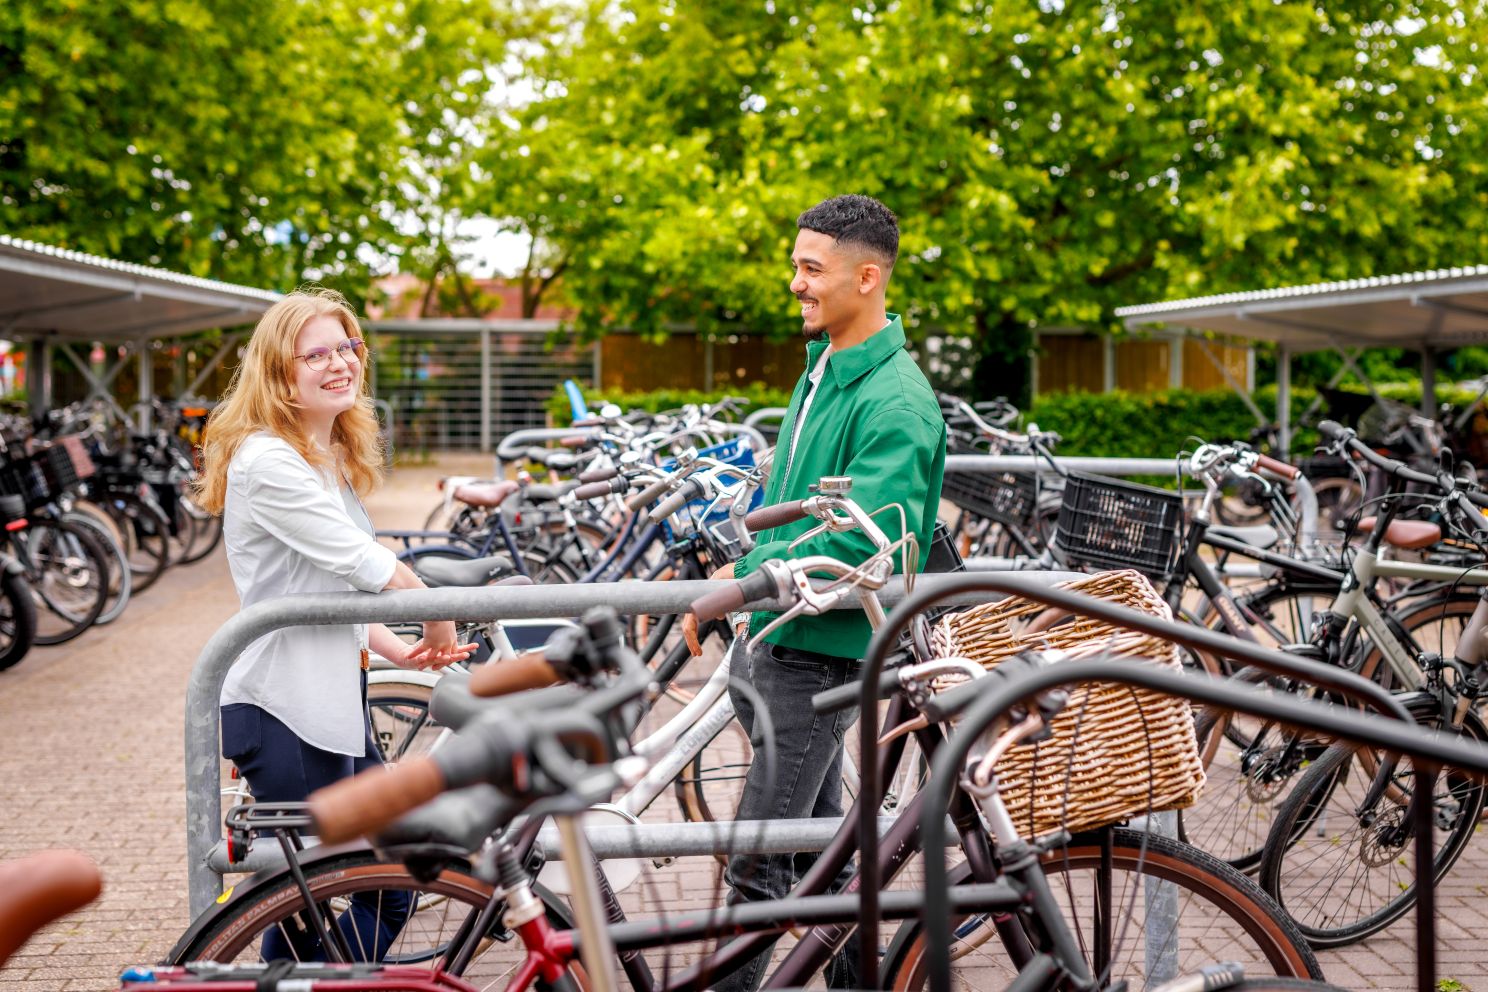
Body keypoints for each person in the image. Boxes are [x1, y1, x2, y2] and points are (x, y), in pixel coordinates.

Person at [684, 194, 947, 991]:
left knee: (756, 874)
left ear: (867, 278)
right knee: (819, 864)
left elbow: (863, 542)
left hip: (814, 656)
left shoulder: (895, 399)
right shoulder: (826, 366)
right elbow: (807, 503)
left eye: (811, 268)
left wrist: (735, 585)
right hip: (783, 642)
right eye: (795, 265)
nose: (794, 283)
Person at [195, 288, 476, 960]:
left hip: (333, 704)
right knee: (315, 898)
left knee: (360, 890)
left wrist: (395, 648)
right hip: (283, 711)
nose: (338, 363)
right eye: (313, 354)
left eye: (346, 347)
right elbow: (367, 565)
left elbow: (330, 586)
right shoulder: (268, 462)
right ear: (278, 374)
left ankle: (319, 978)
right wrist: (433, 617)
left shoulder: (321, 458)